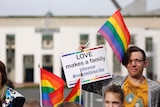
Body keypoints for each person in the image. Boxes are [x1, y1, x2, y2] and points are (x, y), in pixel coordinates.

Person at [82, 45, 160, 107]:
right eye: (129, 61)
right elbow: (82, 83)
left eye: (137, 60)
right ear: (126, 65)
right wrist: (78, 57)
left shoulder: (155, 88)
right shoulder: (112, 82)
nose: (133, 64)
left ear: (145, 64)